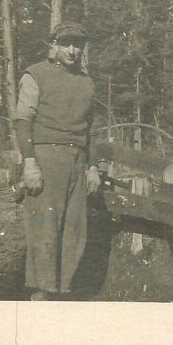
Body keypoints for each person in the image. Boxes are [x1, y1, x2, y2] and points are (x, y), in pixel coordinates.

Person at [13, 23, 101, 301]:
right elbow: (22, 120)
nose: (73, 50)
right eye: (66, 43)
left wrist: (93, 166)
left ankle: (62, 294)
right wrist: (30, 164)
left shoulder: (86, 82)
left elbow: (90, 129)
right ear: (53, 44)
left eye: (78, 44)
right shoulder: (36, 74)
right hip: (47, 157)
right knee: (45, 228)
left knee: (75, 230)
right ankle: (40, 294)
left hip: (77, 159)